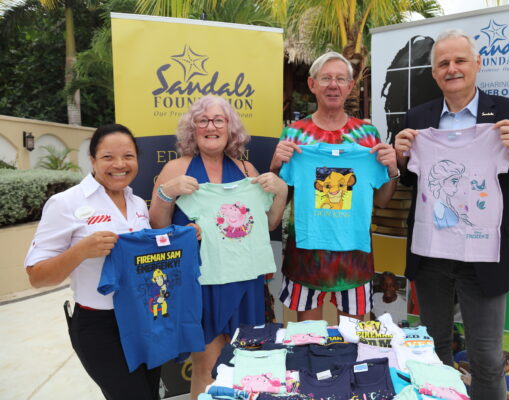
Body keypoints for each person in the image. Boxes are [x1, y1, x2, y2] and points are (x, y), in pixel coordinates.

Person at [394, 29, 509, 400]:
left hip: (485, 253)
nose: (452, 69)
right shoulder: (418, 118)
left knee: (487, 358)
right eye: (443, 63)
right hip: (432, 253)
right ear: (434, 73)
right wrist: (401, 158)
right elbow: (412, 181)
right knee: (433, 350)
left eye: (459, 60)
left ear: (477, 64)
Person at [148, 95, 288, 398]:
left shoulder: (248, 170)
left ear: (230, 128)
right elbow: (157, 225)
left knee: (246, 363)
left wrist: (281, 192)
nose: (211, 126)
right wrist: (166, 192)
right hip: (202, 281)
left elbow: (270, 224)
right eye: (203, 120)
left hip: (246, 280)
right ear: (193, 129)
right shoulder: (176, 168)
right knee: (207, 366)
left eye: (218, 120)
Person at [24, 124, 161, 399]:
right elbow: (37, 277)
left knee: (150, 394)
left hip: (145, 319)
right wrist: (81, 251)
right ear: (93, 160)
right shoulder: (65, 203)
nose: (119, 165)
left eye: (128, 156)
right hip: (99, 326)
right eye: (108, 157)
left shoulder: (136, 203)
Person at [269, 51, 399, 322]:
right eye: (326, 78)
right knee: (308, 337)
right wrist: (275, 168)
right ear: (312, 84)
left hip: (355, 258)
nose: (333, 85)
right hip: (306, 254)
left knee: (352, 340)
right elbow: (281, 196)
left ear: (350, 87)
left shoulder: (367, 135)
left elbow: (382, 201)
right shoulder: (294, 134)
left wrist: (392, 170)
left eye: (341, 79)